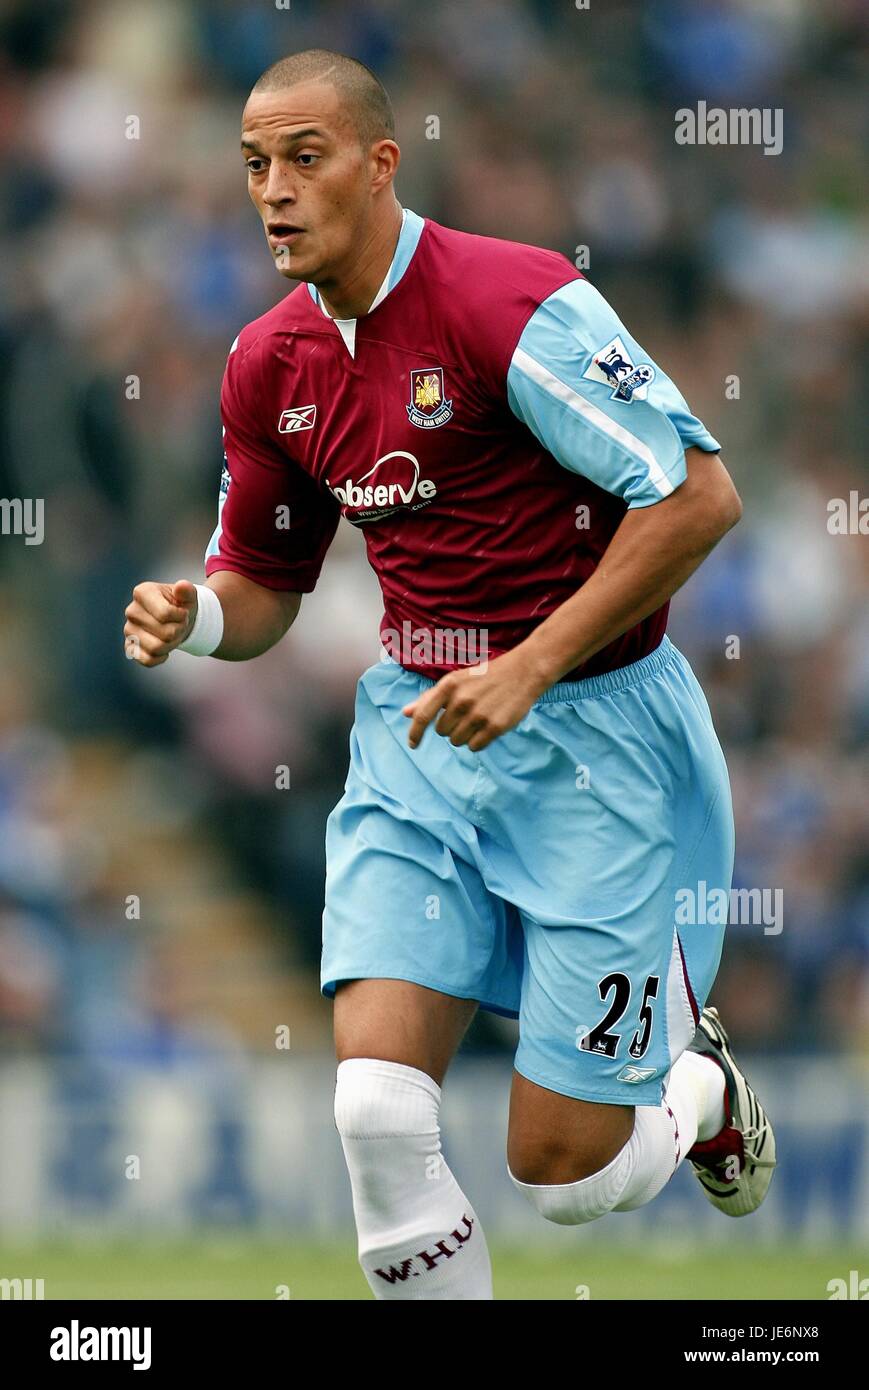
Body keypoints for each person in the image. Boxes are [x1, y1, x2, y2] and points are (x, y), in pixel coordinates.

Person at [124, 49, 775, 1301]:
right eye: (255, 164)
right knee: (373, 1110)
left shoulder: (509, 302)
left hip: (599, 739)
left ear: (380, 164)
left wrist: (530, 666)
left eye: (303, 159)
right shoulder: (269, 363)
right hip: (418, 735)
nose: (272, 190)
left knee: (566, 1173)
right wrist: (196, 616)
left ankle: (698, 1090)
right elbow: (268, 587)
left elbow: (699, 495)